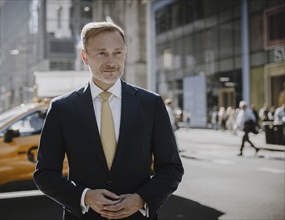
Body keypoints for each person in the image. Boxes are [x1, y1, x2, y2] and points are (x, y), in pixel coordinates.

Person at [34, 22, 184, 220]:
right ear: (85, 56)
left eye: (117, 53)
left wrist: (141, 199)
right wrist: (84, 197)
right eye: (102, 53)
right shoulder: (62, 108)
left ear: (125, 53)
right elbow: (44, 174)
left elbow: (171, 168)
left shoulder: (151, 104)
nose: (111, 62)